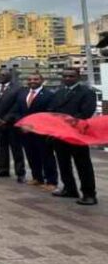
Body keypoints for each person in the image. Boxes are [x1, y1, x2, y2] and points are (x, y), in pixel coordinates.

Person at [48, 68, 97, 205]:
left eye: (71, 76)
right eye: (65, 76)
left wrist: (69, 124)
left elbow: (86, 113)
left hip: (77, 134)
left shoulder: (87, 93)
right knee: (63, 163)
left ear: (78, 77)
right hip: (60, 134)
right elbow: (52, 110)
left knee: (83, 165)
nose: (68, 78)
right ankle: (69, 189)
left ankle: (89, 194)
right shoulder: (59, 93)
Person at [17, 72, 57, 190]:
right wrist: (22, 124)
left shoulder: (49, 95)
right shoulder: (22, 94)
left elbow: (49, 114)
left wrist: (34, 126)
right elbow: (18, 111)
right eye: (30, 79)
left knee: (47, 156)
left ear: (42, 80)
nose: (32, 81)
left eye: (35, 79)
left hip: (42, 132)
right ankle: (37, 178)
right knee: (31, 155)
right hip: (25, 131)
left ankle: (51, 181)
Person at [0, 69, 25, 182]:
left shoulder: (18, 89)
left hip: (12, 124)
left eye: (4, 74)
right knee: (1, 147)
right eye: (0, 75)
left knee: (16, 148)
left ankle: (20, 173)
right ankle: (3, 169)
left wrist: (6, 119)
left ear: (10, 76)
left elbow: (17, 105)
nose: (2, 76)